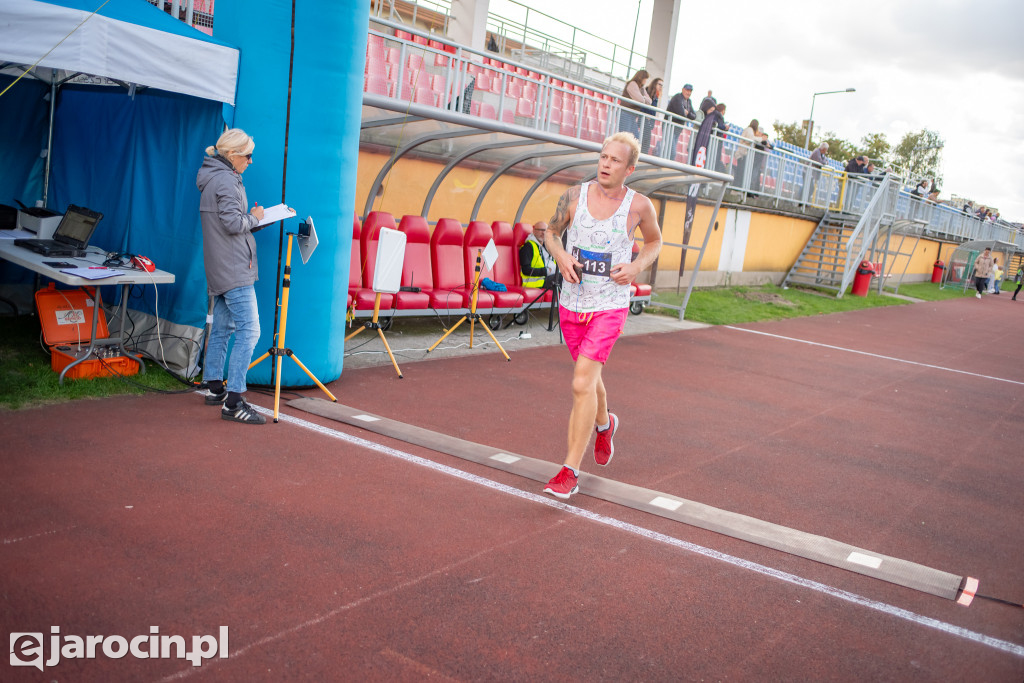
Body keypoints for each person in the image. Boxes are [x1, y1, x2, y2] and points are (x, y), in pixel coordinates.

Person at [539, 132, 662, 499]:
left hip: (609, 304)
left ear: (630, 168)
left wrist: (637, 265)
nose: (606, 164)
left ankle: (568, 472)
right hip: (573, 301)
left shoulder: (639, 206)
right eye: (603, 157)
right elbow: (551, 233)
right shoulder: (574, 196)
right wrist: (560, 255)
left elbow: (655, 242)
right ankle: (605, 425)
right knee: (588, 378)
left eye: (614, 161)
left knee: (581, 383)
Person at [196, 128, 267, 425]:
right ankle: (234, 401)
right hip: (234, 266)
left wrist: (251, 222)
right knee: (250, 331)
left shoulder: (216, 176)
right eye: (248, 155)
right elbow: (231, 222)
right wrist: (257, 218)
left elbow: (230, 222)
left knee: (223, 327)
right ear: (233, 155)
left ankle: (215, 386)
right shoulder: (226, 180)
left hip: (222, 263)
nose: (250, 161)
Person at [690, 102, 728, 172]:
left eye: (713, 110)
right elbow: (698, 121)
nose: (712, 112)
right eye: (711, 110)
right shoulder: (702, 114)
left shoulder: (710, 118)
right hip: (695, 143)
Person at [518, 221, 556, 289]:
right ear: (534, 231)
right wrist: (546, 271)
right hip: (534, 282)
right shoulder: (527, 247)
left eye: (545, 230)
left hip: (547, 278)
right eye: (541, 230)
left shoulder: (546, 246)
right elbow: (526, 270)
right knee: (562, 279)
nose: (543, 233)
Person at [664, 83, 696, 160]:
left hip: (677, 128)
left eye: (690, 91)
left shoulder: (689, 101)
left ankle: (667, 165)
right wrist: (687, 114)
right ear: (682, 90)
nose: (688, 93)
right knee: (671, 151)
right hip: (670, 126)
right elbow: (680, 113)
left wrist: (687, 113)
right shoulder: (677, 97)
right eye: (687, 90)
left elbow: (694, 116)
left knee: (671, 150)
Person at [618, 70, 651, 140]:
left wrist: (643, 98)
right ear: (641, 77)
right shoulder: (632, 84)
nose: (645, 81)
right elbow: (640, 100)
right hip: (626, 113)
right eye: (645, 79)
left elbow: (649, 101)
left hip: (632, 115)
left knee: (635, 138)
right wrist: (644, 98)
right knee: (625, 138)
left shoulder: (641, 88)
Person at [641, 77, 663, 155]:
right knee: (642, 143)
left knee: (646, 145)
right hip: (644, 121)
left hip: (648, 123)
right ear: (655, 83)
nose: (661, 87)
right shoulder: (647, 91)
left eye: (662, 85)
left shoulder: (656, 96)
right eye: (659, 84)